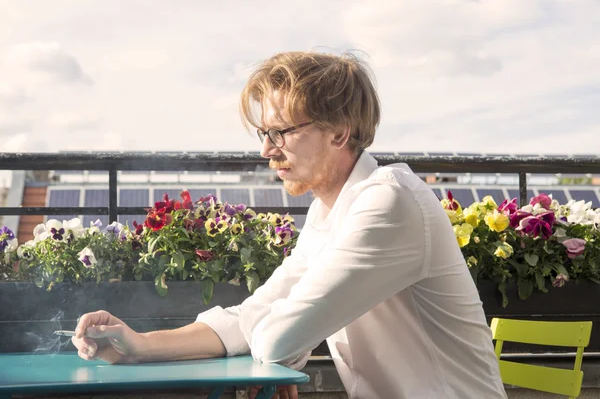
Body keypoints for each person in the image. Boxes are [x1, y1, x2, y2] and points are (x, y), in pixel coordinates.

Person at [72, 51, 507, 399]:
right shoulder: (329, 210)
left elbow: (276, 340)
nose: (266, 150)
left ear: (339, 131)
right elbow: (256, 317)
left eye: (280, 132)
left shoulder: (388, 202)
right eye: (263, 133)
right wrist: (139, 345)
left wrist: (280, 346)